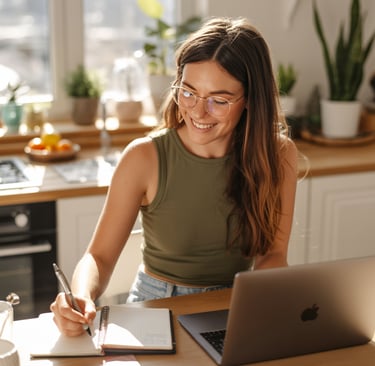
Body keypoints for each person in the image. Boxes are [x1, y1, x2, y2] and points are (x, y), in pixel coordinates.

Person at [51, 16, 298, 336]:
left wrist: (264, 301)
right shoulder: (144, 157)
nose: (198, 111)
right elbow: (98, 257)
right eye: (189, 92)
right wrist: (81, 295)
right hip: (156, 307)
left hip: (235, 303)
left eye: (219, 100)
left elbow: (273, 255)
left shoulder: (278, 156)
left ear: (250, 99)